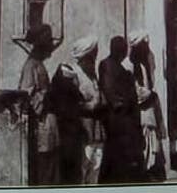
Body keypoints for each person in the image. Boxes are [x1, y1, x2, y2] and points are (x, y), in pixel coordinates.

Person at [50, 34, 106, 185]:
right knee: (83, 169)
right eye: (91, 56)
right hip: (83, 130)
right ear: (83, 56)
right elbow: (70, 103)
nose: (94, 59)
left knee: (95, 168)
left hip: (97, 130)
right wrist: (88, 106)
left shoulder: (92, 74)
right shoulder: (72, 74)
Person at [98, 35, 145, 183]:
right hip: (117, 118)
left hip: (124, 118)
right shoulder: (107, 65)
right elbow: (109, 90)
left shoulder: (120, 68)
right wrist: (121, 104)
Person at [18, 24, 59, 185]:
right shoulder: (31, 66)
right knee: (44, 171)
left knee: (50, 169)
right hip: (41, 126)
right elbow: (26, 96)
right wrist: (47, 95)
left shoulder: (38, 65)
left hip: (49, 126)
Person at [128, 30, 166, 181]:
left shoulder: (141, 66)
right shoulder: (130, 66)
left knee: (151, 141)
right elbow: (136, 91)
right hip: (140, 112)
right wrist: (150, 95)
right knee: (143, 142)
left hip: (148, 111)